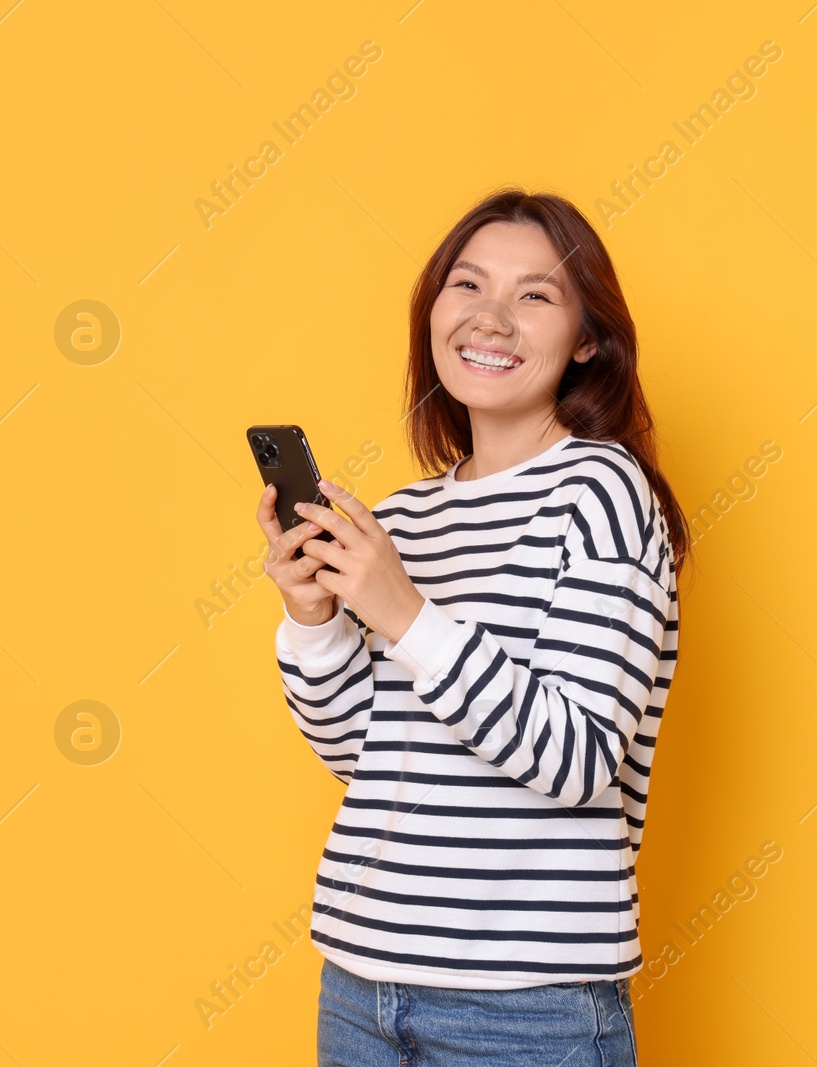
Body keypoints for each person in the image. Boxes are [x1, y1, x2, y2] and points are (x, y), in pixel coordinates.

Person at [255, 188, 691, 1066]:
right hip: (360, 978)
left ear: (587, 339)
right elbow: (364, 759)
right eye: (467, 286)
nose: (490, 319)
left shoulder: (601, 492)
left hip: (524, 1005)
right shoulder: (405, 518)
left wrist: (404, 610)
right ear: (433, 313)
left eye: (535, 296)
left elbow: (575, 759)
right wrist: (314, 623)